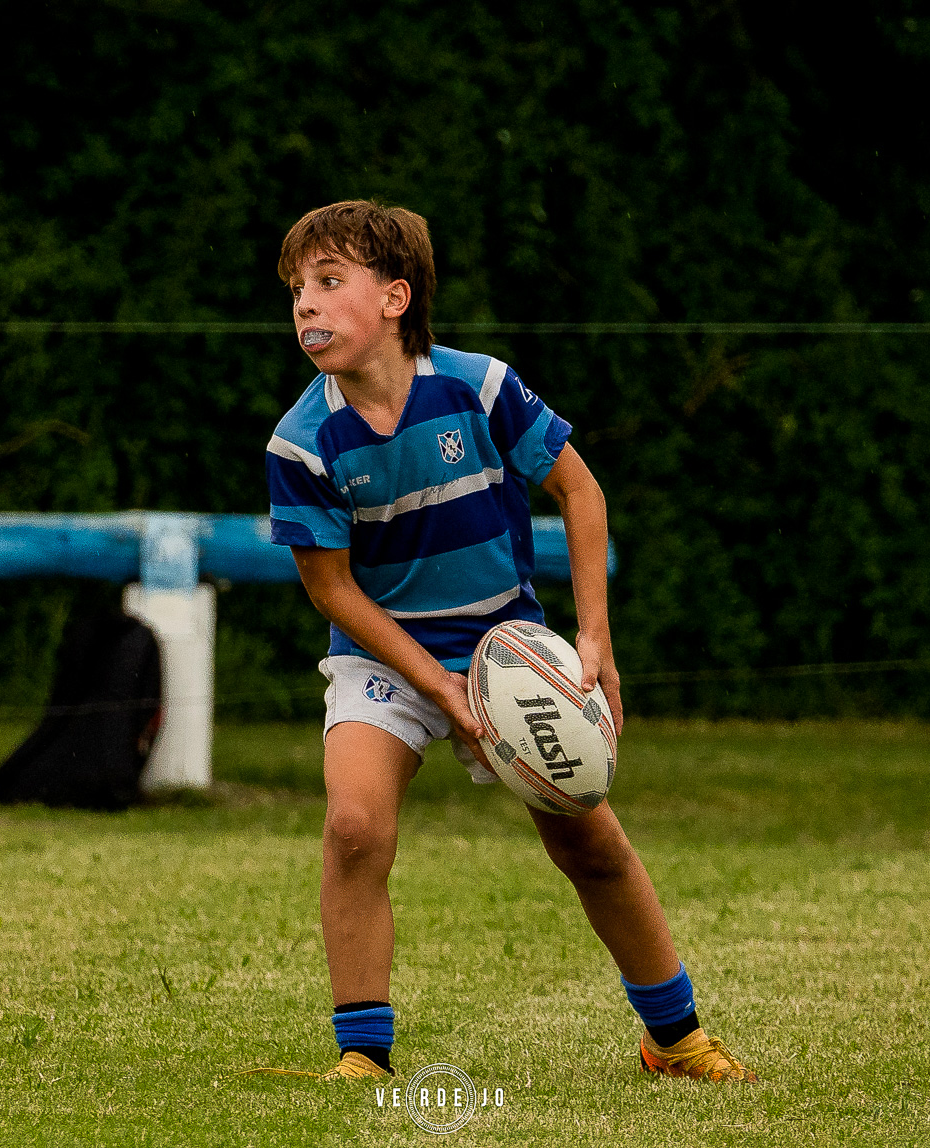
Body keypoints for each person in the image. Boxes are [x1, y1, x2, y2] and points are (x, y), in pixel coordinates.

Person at [264, 201, 757, 1083]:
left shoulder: (481, 387)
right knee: (353, 827)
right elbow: (333, 591)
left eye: (329, 282)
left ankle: (675, 1041)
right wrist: (435, 686)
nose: (305, 304)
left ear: (394, 298)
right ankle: (364, 1057)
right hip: (384, 657)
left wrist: (594, 642)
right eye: (297, 289)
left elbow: (583, 494)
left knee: (589, 842)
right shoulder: (301, 444)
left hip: (504, 648)